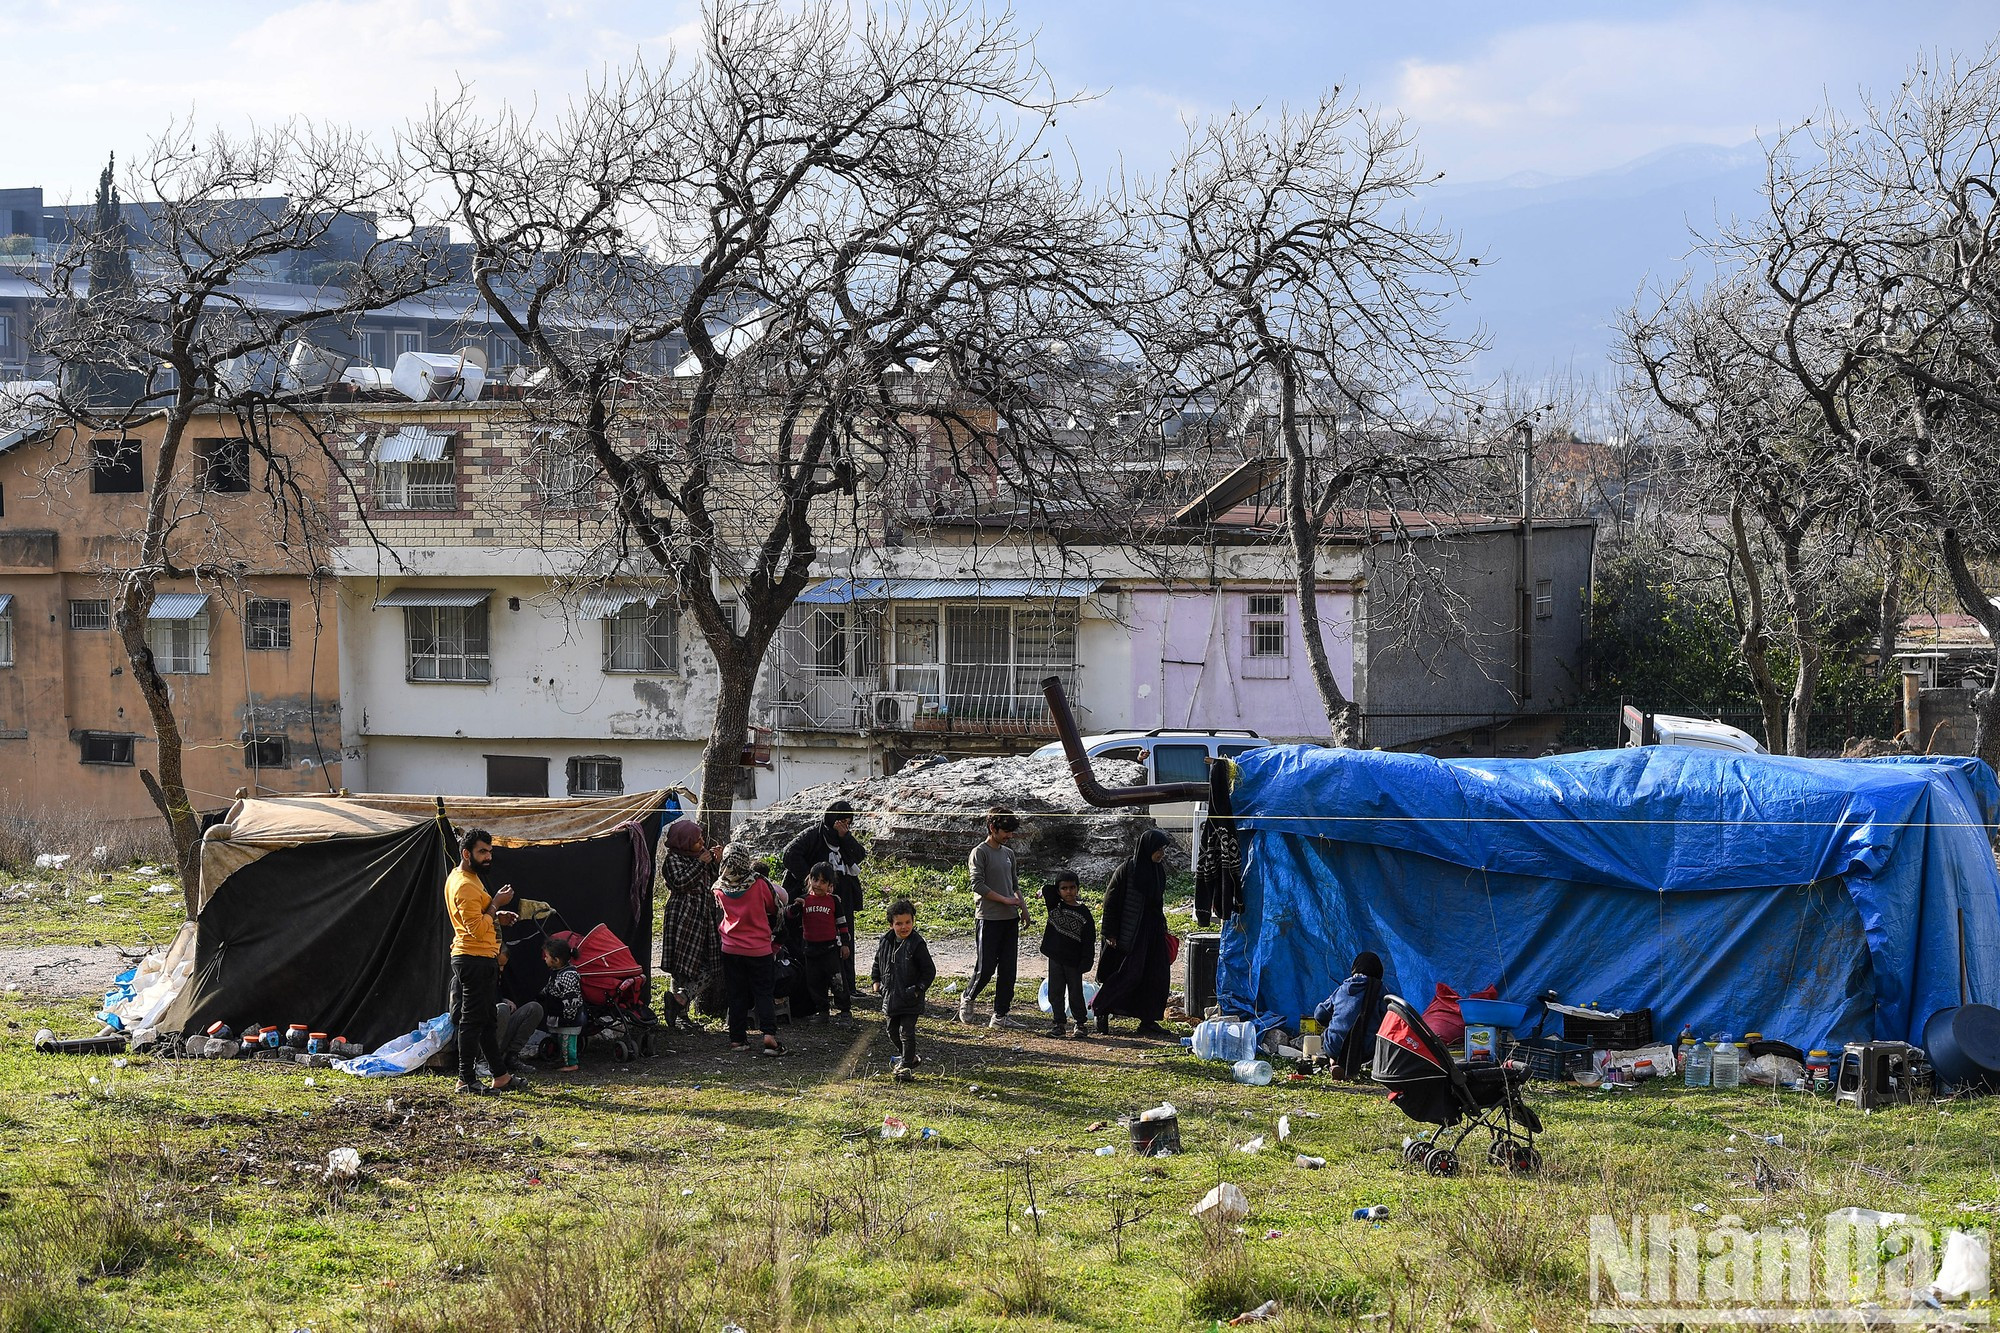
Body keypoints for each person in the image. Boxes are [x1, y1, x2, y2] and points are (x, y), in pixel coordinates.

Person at [446, 828, 522, 1094]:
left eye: (490, 851)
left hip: (482, 957)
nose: (488, 857)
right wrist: (496, 905)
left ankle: (500, 1076)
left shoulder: (468, 876)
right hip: (473, 958)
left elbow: (476, 919)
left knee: (488, 1019)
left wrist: (496, 914)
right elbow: (475, 929)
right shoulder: (465, 885)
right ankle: (465, 1079)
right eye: (482, 852)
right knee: (471, 1021)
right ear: (467, 854)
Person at [782, 800, 868, 1001]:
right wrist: (811, 881)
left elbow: (859, 854)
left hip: (840, 897)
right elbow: (790, 854)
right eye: (840, 821)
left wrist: (844, 837)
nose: (843, 825)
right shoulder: (814, 834)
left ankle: (848, 985)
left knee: (844, 936)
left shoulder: (844, 837)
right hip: (814, 899)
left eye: (848, 821)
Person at [1093, 828, 1174, 1038]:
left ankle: (1148, 1021)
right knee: (1130, 974)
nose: (1161, 854)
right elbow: (1110, 902)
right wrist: (1110, 933)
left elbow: (1157, 902)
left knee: (1156, 975)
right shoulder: (1126, 870)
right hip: (1132, 931)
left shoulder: (1157, 870)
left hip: (1153, 930)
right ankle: (1101, 1009)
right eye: (1158, 850)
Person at [714, 841, 788, 1056]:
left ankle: (737, 1040)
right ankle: (769, 1038)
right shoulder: (758, 883)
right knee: (763, 992)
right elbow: (774, 907)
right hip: (759, 949)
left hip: (730, 948)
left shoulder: (719, 887)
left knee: (736, 994)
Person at [960, 807, 1030, 1029]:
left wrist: (1023, 907)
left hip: (1010, 920)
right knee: (986, 967)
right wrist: (1005, 900)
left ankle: (1000, 1015)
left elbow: (1014, 884)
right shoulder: (979, 852)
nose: (1009, 836)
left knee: (1008, 969)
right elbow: (977, 884)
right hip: (988, 918)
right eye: (1006, 831)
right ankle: (968, 997)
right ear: (993, 828)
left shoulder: (1008, 854)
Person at [658, 819, 723, 1018]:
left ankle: (681, 999)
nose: (702, 842)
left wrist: (716, 862)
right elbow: (680, 882)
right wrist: (699, 863)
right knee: (682, 967)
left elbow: (712, 881)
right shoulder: (673, 860)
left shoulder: (700, 856)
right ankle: (680, 1015)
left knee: (712, 966)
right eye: (697, 839)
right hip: (683, 916)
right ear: (684, 841)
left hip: (703, 916)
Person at [872, 898, 936, 1082]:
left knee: (906, 1032)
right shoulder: (885, 941)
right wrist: (876, 981)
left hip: (910, 999)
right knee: (892, 1031)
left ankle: (905, 1067)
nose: (904, 927)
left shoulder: (917, 944)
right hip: (890, 996)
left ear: (913, 922)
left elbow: (929, 971)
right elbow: (877, 962)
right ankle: (911, 1058)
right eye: (899, 923)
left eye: (908, 922)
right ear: (891, 924)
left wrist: (917, 989)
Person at [1312, 951, 1387, 1079]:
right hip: (1364, 1051)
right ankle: (1364, 1066)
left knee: (1330, 1033)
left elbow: (1320, 1014)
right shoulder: (1380, 991)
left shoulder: (1342, 988)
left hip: (1334, 1047)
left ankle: (1334, 1062)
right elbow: (1387, 1019)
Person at [1039, 870, 1097, 1040]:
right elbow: (1047, 889)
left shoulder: (1084, 914)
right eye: (1064, 888)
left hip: (1074, 961)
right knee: (1055, 992)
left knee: (1075, 992)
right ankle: (1059, 1024)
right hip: (1056, 958)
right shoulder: (1055, 906)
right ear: (1058, 891)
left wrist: (1087, 960)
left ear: (1078, 888)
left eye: (1072, 887)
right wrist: (1055, 890)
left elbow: (1089, 940)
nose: (1069, 891)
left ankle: (1080, 1024)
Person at [796, 861, 853, 1023]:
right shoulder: (803, 900)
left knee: (837, 980)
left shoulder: (834, 901)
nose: (818, 885)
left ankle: (844, 1011)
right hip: (810, 949)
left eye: (823, 882)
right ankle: (822, 1011)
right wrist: (795, 908)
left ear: (830, 884)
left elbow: (842, 924)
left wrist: (845, 944)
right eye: (815, 880)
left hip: (830, 949)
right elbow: (790, 917)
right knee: (815, 981)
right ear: (809, 880)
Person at [541, 935, 587, 1072]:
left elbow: (571, 998)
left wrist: (569, 1016)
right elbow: (550, 987)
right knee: (562, 1040)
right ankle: (562, 1059)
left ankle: (571, 1063)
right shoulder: (557, 972)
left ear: (556, 960)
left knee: (567, 1042)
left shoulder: (568, 976)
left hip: (568, 1018)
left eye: (547, 956)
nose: (544, 958)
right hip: (559, 1016)